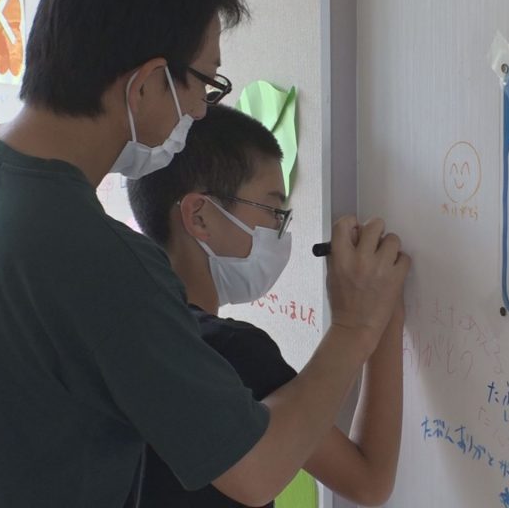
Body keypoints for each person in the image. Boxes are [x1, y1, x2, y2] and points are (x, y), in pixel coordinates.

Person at [0, 0, 409, 507]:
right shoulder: (99, 259)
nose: (199, 111)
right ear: (147, 83)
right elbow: (256, 471)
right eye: (204, 84)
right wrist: (354, 327)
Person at [127, 106, 403, 507]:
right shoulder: (231, 354)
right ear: (199, 217)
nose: (280, 231)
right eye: (274, 211)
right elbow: (368, 482)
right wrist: (371, 319)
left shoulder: (126, 327)